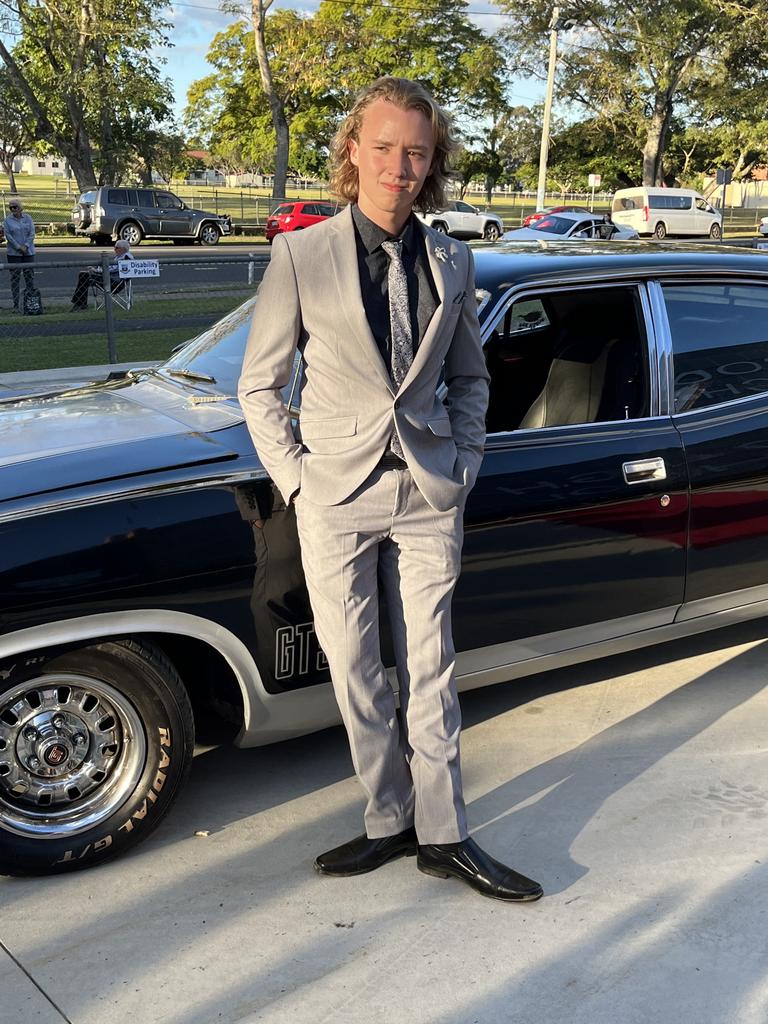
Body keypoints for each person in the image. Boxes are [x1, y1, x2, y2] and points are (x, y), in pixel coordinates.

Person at [238, 77, 543, 903]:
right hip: (336, 493)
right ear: (353, 151)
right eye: (384, 147)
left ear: (430, 162)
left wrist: (466, 460)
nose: (399, 166)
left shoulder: (453, 256)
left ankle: (444, 833)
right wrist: (298, 483)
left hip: (429, 491)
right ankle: (388, 819)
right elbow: (260, 387)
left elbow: (471, 379)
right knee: (355, 671)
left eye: (416, 151)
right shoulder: (301, 255)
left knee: (432, 667)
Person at [70, 239, 133, 310]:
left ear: (123, 249)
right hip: (110, 279)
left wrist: (96, 271)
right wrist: (97, 269)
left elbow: (112, 269)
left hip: (113, 283)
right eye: (114, 247)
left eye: (117, 247)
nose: (114, 249)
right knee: (84, 275)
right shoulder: (121, 256)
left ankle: (80, 304)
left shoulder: (126, 258)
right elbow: (110, 268)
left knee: (84, 276)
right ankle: (80, 303)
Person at [3, 198, 35, 313]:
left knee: (29, 277)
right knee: (15, 278)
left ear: (20, 207)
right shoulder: (7, 221)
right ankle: (16, 303)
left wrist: (26, 246)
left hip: (28, 252)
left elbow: (32, 233)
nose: (13, 209)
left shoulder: (28, 218)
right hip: (14, 254)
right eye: (10, 207)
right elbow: (9, 236)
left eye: (15, 207)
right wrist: (18, 247)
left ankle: (31, 302)